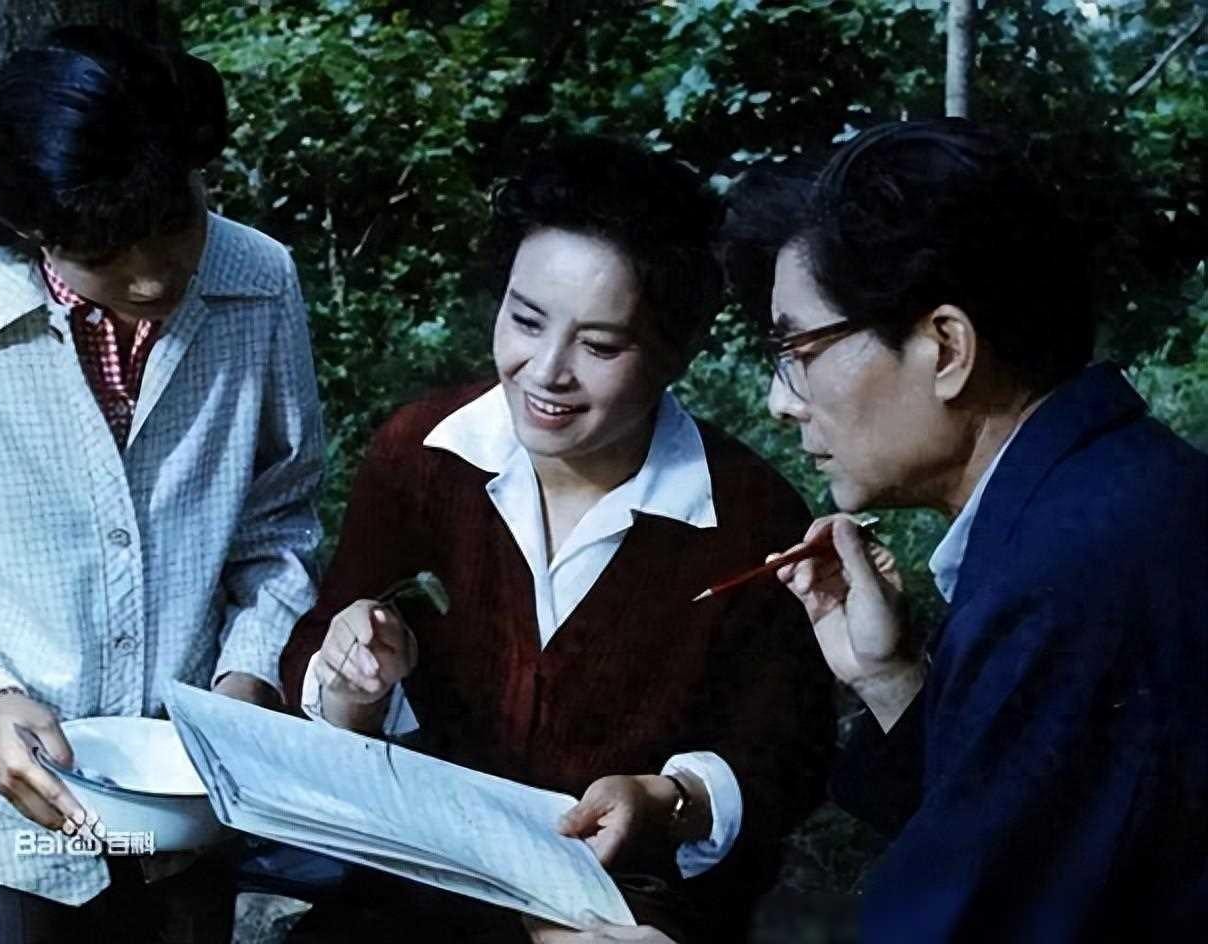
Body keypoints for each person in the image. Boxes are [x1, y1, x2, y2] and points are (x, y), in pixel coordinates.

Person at [0, 26, 324, 944]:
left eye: (174, 225)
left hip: (186, 794)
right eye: (108, 251)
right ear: (31, 229)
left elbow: (278, 522)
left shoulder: (261, 284)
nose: (153, 275)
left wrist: (249, 673)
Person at [276, 136, 835, 943]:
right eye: (526, 320)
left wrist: (667, 800)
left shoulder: (750, 517)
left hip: (631, 907)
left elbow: (783, 753)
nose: (545, 370)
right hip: (422, 893)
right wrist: (351, 682)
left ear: (675, 353)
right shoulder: (421, 456)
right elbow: (320, 653)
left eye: (600, 346)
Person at [737, 119, 1207, 940]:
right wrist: (889, 678)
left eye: (798, 350)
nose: (783, 402)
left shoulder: (1066, 580)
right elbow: (1024, 839)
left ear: (946, 347)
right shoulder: (1106, 493)